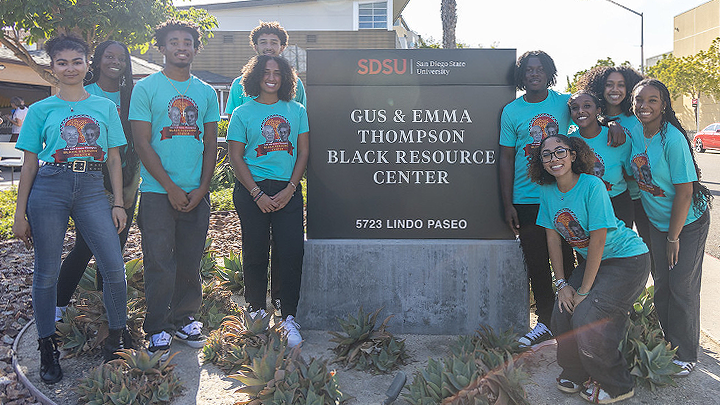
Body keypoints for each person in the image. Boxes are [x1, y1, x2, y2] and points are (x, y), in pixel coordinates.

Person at [12, 35, 129, 383]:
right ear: (52, 68)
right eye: (61, 63)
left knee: (113, 267)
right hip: (50, 187)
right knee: (46, 272)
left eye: (76, 61)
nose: (69, 68)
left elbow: (115, 158)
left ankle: (116, 341)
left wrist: (119, 202)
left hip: (93, 189)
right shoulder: (41, 111)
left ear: (86, 64)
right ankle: (47, 346)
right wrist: (20, 214)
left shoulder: (104, 107)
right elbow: (30, 163)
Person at [529, 134, 649, 403]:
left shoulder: (591, 185)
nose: (553, 159)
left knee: (587, 315)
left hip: (627, 260)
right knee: (562, 310)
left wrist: (583, 290)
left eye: (560, 151)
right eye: (546, 155)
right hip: (596, 262)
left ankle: (617, 384)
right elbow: (552, 238)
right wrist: (562, 285)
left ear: (573, 155)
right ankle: (575, 371)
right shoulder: (548, 191)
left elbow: (598, 239)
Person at [129, 19, 219, 358]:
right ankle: (157, 327)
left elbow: (211, 143)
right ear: (161, 47)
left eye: (188, 41)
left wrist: (202, 187)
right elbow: (141, 143)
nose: (181, 46)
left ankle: (184, 319)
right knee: (158, 261)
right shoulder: (147, 88)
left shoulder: (207, 92)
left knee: (189, 259)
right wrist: (168, 187)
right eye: (174, 41)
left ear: (195, 48)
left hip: (197, 192)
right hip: (156, 192)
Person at [55, 40, 140, 338]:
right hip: (90, 180)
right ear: (97, 61)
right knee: (86, 245)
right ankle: (56, 307)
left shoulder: (133, 94)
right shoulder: (85, 94)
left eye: (121, 57)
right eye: (109, 56)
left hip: (126, 180)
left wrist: (130, 186)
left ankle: (110, 314)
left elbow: (139, 140)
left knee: (115, 250)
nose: (115, 61)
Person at [629, 78, 712, 376]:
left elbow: (686, 192)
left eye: (652, 100)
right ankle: (670, 342)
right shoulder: (634, 132)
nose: (645, 106)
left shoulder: (672, 139)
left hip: (686, 223)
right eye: (639, 100)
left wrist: (673, 237)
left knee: (682, 288)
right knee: (661, 284)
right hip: (656, 221)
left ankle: (687, 354)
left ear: (664, 104)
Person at [225, 21, 306, 316]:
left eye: (275, 42)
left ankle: (286, 308)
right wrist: (257, 193)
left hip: (287, 187)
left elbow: (303, 147)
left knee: (288, 250)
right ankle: (256, 308)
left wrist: (291, 188)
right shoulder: (241, 106)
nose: (271, 77)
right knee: (256, 250)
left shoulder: (296, 105)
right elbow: (236, 153)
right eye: (265, 72)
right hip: (252, 187)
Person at [499, 50, 577, 347]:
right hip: (526, 199)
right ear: (522, 75)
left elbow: (590, 112)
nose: (534, 73)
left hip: (560, 195)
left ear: (549, 73)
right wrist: (508, 203)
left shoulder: (563, 102)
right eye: (529, 69)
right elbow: (505, 158)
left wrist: (614, 124)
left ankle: (570, 323)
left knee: (568, 263)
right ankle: (545, 322)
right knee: (537, 264)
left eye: (540, 69)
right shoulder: (512, 111)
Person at [568, 91, 634, 227]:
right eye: (575, 108)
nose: (580, 111)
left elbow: (629, 174)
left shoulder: (618, 138)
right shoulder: (569, 142)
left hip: (618, 204)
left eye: (587, 106)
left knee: (620, 247)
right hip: (584, 205)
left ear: (598, 110)